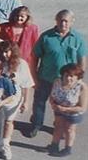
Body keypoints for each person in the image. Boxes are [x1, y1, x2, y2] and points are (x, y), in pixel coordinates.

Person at [29, 10, 87, 138]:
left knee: (63, 106)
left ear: (72, 21)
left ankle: (59, 127)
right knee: (39, 103)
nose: (63, 23)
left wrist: (78, 81)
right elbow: (34, 57)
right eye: (60, 20)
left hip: (66, 82)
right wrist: (35, 78)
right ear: (56, 20)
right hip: (46, 78)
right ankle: (36, 125)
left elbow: (82, 61)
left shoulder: (78, 40)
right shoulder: (46, 37)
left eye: (66, 20)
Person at [0, 41, 34, 160]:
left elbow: (27, 85)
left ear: (13, 52)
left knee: (8, 122)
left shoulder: (22, 64)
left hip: (13, 99)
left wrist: (26, 102)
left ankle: (5, 145)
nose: (4, 54)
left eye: (7, 52)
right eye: (2, 52)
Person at [47, 63, 87, 156]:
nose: (68, 78)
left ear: (77, 77)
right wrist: (52, 104)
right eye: (66, 75)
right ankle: (54, 145)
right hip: (59, 109)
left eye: (72, 76)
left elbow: (82, 107)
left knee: (69, 130)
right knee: (58, 127)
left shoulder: (81, 87)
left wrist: (65, 109)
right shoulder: (57, 81)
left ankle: (67, 149)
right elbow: (52, 95)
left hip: (73, 112)